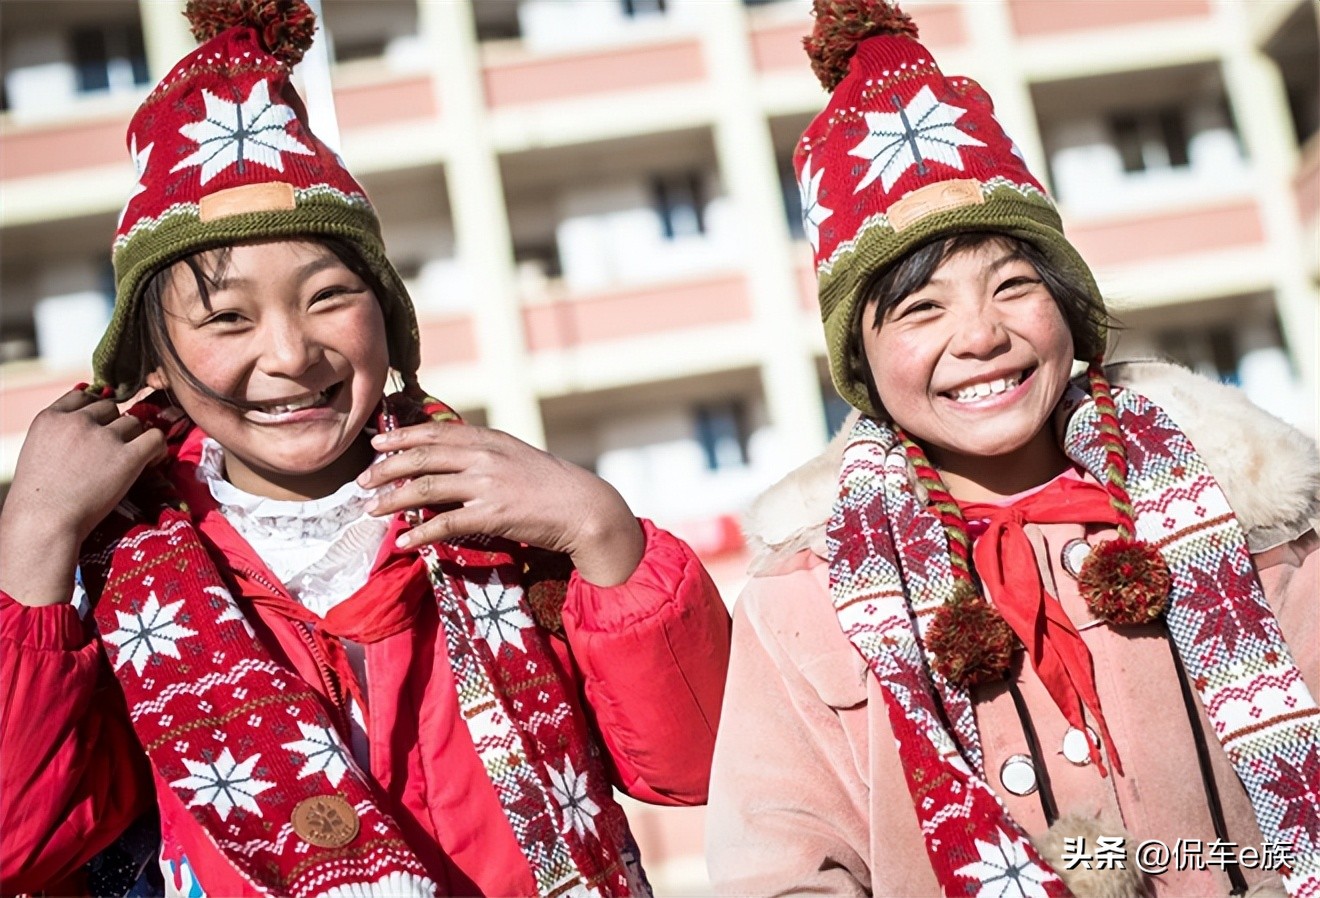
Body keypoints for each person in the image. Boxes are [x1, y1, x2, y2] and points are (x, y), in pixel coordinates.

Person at [0, 2, 730, 896]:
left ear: (389, 319)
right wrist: (33, 541)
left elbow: (695, 769)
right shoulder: (105, 581)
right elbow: (16, 842)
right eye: (227, 317)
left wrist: (606, 534)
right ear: (149, 360)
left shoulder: (505, 514)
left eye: (328, 297)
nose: (291, 354)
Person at [705, 1, 1319, 896]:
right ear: (862, 362)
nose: (982, 336)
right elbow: (785, 862)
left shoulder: (1248, 507)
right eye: (922, 308)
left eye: (1014, 285)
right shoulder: (805, 594)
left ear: (1070, 308)